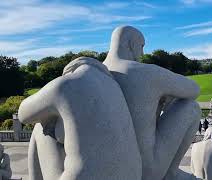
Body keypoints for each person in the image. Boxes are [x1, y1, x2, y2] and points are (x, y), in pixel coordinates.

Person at [19, 57, 142, 180]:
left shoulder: (66, 84)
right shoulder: (115, 87)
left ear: (70, 71)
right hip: (134, 175)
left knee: (39, 127)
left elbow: (23, 115)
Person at [104, 26, 201, 180]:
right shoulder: (144, 72)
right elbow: (194, 90)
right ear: (130, 44)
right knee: (191, 107)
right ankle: (171, 172)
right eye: (141, 46)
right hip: (147, 170)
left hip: (112, 167)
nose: (142, 53)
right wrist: (166, 91)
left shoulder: (97, 72)